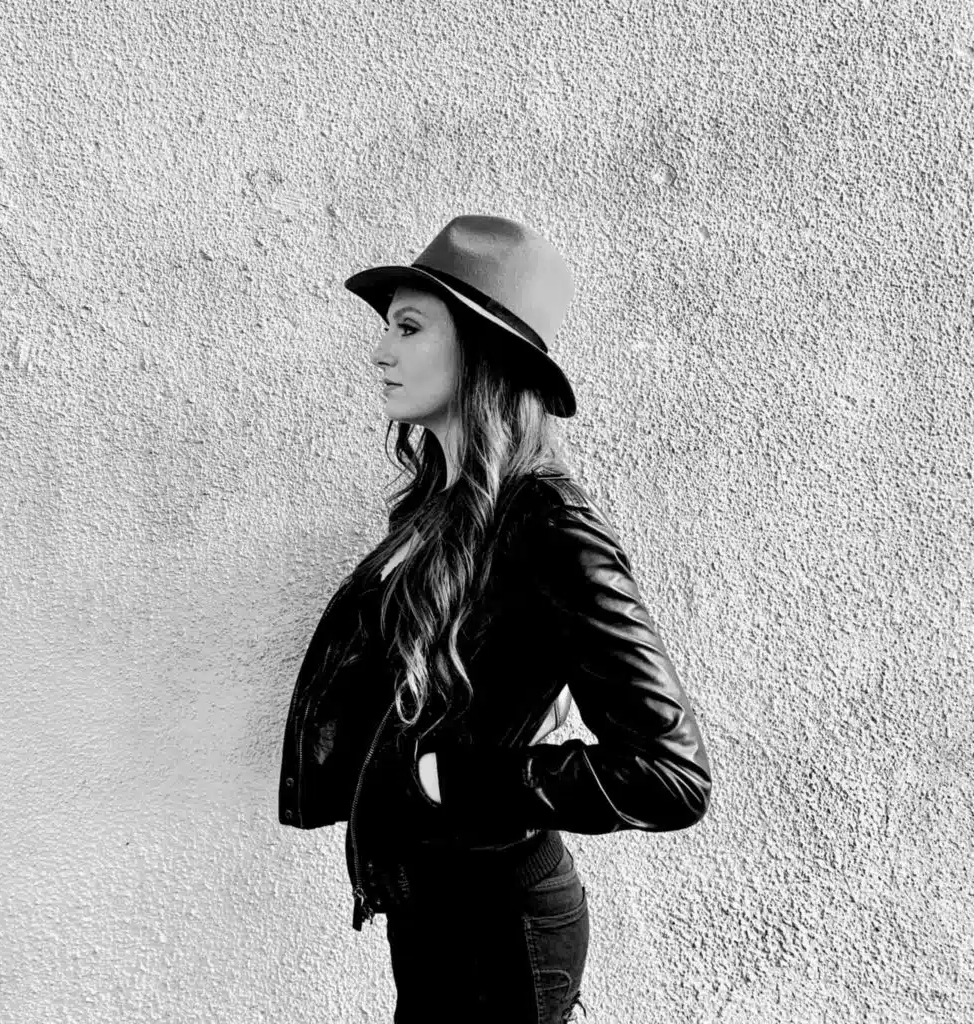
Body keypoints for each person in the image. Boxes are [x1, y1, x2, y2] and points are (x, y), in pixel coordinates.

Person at [278, 215, 713, 1023]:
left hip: (500, 930)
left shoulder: (549, 525)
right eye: (388, 328)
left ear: (482, 350)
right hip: (435, 911)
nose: (380, 352)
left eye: (410, 328)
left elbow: (671, 775)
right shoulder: (441, 509)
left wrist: (453, 779)